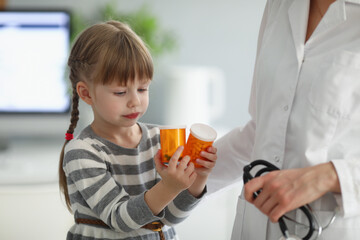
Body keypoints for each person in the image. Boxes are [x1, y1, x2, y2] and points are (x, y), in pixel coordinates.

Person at [207, 0, 360, 239]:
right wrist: (181, 176)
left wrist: (330, 176)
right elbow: (262, 130)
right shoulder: (279, 5)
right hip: (254, 226)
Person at [58, 20, 217, 240]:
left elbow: (170, 217)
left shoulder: (159, 138)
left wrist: (197, 178)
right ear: (86, 94)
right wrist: (169, 186)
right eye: (121, 92)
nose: (135, 101)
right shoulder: (82, 152)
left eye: (142, 88)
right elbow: (120, 219)